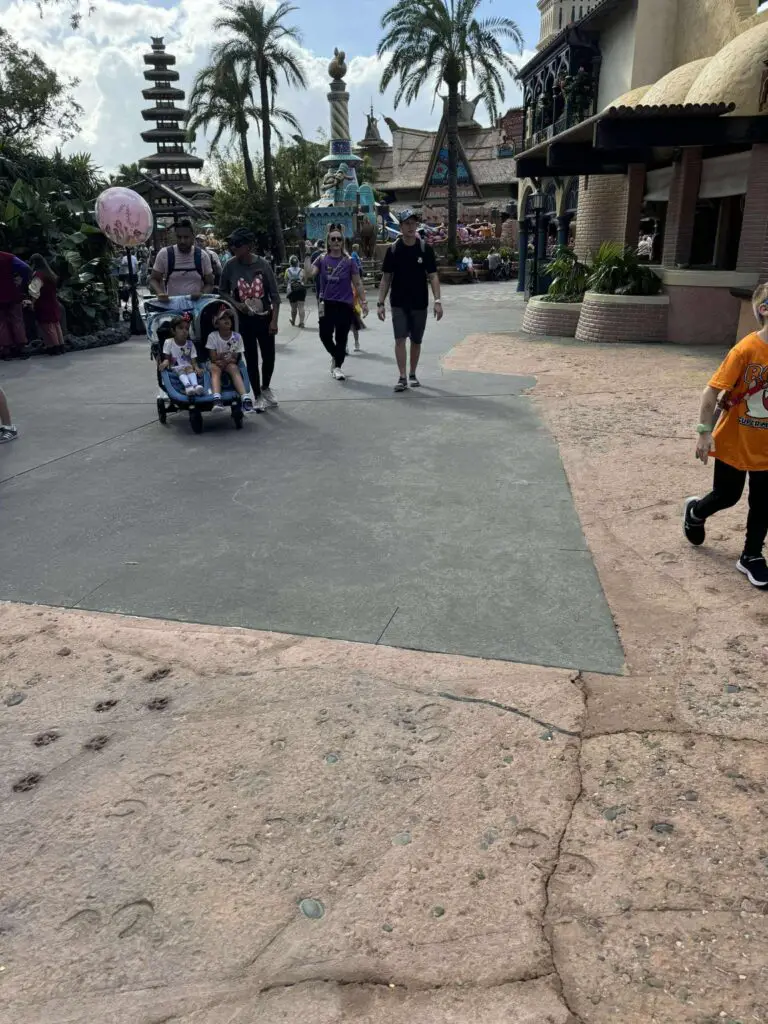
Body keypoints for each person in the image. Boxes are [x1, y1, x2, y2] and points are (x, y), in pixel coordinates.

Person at [684, 282, 768, 588]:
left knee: (764, 502)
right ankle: (696, 511)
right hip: (735, 437)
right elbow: (711, 391)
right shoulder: (745, 350)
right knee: (728, 495)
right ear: (764, 309)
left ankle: (752, 555)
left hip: (766, 445)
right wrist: (704, 433)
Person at [377, 209, 442, 393]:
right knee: (399, 339)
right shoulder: (393, 250)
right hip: (398, 302)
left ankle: (412, 373)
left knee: (416, 340)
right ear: (401, 226)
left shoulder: (425, 249)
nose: (411, 227)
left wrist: (438, 300)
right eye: (407, 223)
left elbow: (433, 276)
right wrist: (380, 303)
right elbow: (386, 278)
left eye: (413, 223)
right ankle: (402, 376)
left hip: (420, 302)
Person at [219, 227, 280, 413]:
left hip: (264, 318)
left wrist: (274, 321)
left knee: (269, 356)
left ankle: (266, 387)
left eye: (237, 244)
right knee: (251, 357)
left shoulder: (263, 265)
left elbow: (275, 296)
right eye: (231, 244)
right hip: (244, 320)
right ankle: (257, 395)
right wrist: (236, 304)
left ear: (248, 246)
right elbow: (222, 291)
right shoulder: (230, 266)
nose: (233, 248)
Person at [311, 224, 368, 381]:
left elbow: (358, 283)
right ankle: (337, 356)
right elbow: (310, 274)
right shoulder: (321, 259)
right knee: (324, 335)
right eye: (333, 239)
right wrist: (306, 259)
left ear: (343, 242)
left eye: (339, 239)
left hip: (344, 304)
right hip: (326, 303)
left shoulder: (349, 261)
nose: (336, 241)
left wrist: (363, 302)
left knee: (342, 337)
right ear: (328, 241)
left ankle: (337, 367)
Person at [150, 220, 214, 299]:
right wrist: (160, 293)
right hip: (172, 307)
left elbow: (210, 283)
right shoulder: (165, 254)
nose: (182, 241)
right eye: (179, 237)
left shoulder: (202, 256)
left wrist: (202, 293)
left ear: (192, 237)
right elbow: (153, 279)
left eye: (186, 237)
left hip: (197, 307)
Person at [205, 307, 249, 412]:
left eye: (228, 317)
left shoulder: (237, 337)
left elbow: (235, 358)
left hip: (229, 363)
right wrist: (223, 357)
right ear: (216, 324)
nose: (227, 320)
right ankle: (217, 398)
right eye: (222, 318)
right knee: (215, 369)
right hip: (216, 363)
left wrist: (224, 358)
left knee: (234, 368)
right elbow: (213, 358)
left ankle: (245, 398)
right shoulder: (213, 336)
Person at [27, 254, 66, 355]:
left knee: (47, 327)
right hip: (53, 301)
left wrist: (32, 303)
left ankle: (52, 347)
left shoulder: (38, 275)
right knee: (56, 324)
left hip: (43, 303)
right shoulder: (50, 274)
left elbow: (34, 291)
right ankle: (60, 346)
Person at [159, 316, 205, 397]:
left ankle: (195, 385)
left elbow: (193, 362)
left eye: (187, 329)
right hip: (176, 367)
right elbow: (167, 359)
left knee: (190, 369)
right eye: (181, 328)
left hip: (188, 367)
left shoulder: (190, 344)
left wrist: (197, 368)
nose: (184, 331)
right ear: (173, 331)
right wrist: (164, 363)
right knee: (181, 370)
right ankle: (188, 386)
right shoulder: (169, 342)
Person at [0, 250, 30, 359]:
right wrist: (22, 283)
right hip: (12, 292)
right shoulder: (8, 257)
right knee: (17, 320)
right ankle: (22, 348)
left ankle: (6, 350)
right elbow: (26, 268)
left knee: (1, 322)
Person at [284, 255, 307, 327]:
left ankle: (293, 321)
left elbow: (286, 280)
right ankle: (302, 322)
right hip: (301, 289)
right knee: (301, 306)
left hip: (291, 290)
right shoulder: (302, 270)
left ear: (290, 262)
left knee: (293, 308)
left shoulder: (287, 270)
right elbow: (305, 280)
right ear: (298, 262)